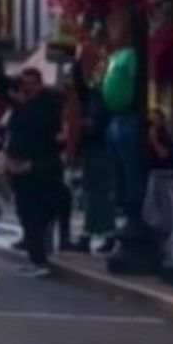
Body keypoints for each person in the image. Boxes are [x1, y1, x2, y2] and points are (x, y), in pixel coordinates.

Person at [5, 68, 66, 277]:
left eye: (30, 83)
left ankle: (40, 259)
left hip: (39, 168)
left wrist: (33, 164)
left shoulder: (47, 107)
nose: (26, 87)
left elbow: (52, 139)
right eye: (24, 83)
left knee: (36, 215)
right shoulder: (21, 107)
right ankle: (34, 257)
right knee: (25, 213)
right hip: (19, 167)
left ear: (39, 84)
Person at [71, 54, 116, 255]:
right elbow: (80, 87)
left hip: (99, 149)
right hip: (93, 149)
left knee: (97, 194)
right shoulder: (94, 97)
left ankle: (100, 234)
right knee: (93, 194)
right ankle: (101, 234)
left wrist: (88, 127)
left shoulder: (103, 101)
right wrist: (77, 64)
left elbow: (97, 126)